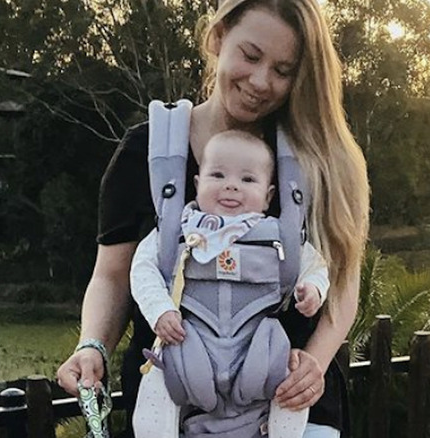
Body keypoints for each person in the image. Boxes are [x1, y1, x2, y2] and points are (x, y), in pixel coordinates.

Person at [56, 1, 370, 437]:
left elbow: (343, 280)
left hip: (292, 411)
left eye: (283, 70)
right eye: (251, 55)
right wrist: (93, 346)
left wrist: (313, 363)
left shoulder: (319, 158)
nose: (261, 82)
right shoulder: (145, 152)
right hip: (176, 405)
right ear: (219, 38)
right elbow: (112, 275)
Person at [130, 130, 328, 437]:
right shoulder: (177, 231)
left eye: (248, 180)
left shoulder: (277, 235)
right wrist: (160, 311)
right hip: (191, 343)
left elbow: (315, 265)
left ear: (269, 196)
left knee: (290, 377)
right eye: (218, 175)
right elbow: (142, 269)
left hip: (257, 349)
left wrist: (313, 289)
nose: (232, 185)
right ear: (197, 184)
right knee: (158, 375)